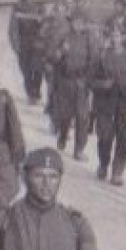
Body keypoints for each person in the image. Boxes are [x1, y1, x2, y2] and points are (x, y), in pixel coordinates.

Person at [89, 28, 126, 187]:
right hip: (105, 103)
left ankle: (117, 172)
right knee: (104, 137)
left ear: (123, 37)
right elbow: (90, 79)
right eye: (112, 35)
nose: (115, 38)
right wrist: (102, 85)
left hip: (124, 103)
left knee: (124, 138)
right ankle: (103, 164)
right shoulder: (101, 56)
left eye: (118, 35)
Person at [49, 11, 97, 160]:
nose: (78, 25)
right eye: (76, 21)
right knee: (65, 115)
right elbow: (52, 57)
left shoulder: (89, 39)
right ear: (71, 23)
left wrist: (88, 79)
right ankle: (63, 136)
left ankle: (79, 150)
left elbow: (94, 60)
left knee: (82, 117)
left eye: (81, 22)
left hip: (81, 83)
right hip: (65, 81)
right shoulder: (63, 37)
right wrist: (60, 52)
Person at [7, 0, 46, 104]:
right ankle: (30, 94)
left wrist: (41, 22)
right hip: (23, 44)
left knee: (38, 69)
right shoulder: (17, 8)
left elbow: (46, 26)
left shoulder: (39, 7)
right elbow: (12, 29)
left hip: (37, 43)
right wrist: (16, 46)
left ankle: (36, 91)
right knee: (26, 71)